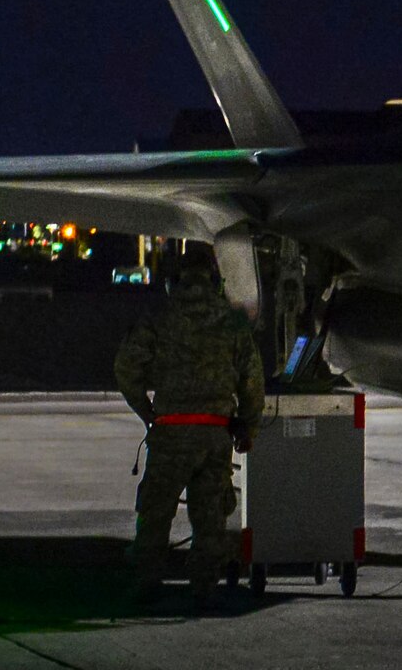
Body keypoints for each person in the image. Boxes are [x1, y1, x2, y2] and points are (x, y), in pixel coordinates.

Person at [115, 251, 267, 607]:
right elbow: (252, 381)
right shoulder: (232, 323)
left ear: (175, 280)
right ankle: (203, 587)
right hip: (215, 433)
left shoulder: (159, 317)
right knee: (210, 516)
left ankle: (147, 581)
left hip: (170, 432)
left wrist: (147, 412)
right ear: (216, 281)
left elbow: (126, 368)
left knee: (155, 513)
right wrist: (249, 426)